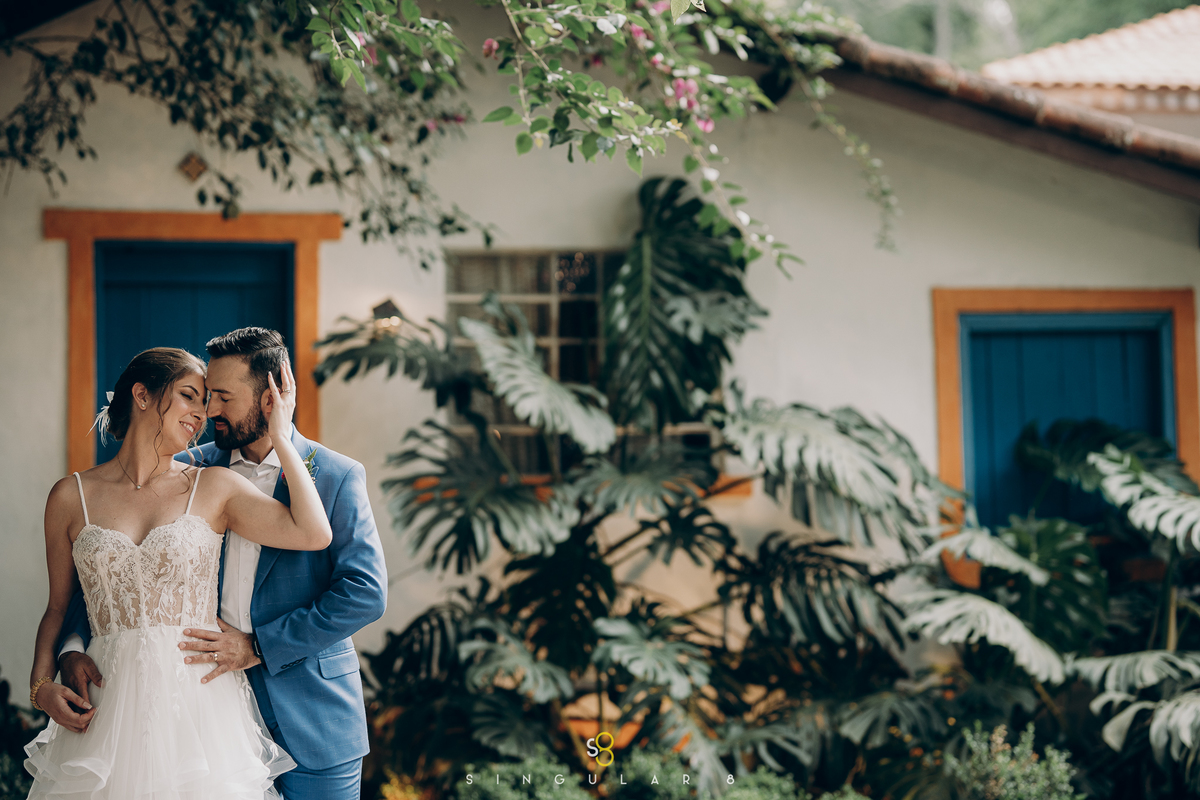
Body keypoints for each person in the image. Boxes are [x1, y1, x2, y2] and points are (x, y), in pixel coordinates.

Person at [55, 328, 388, 800]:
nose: (209, 412)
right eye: (205, 396)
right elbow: (111, 573)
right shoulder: (189, 471)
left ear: (270, 396)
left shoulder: (335, 476)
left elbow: (365, 593)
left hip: (311, 715)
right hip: (200, 720)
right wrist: (70, 648)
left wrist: (259, 646)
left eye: (223, 398)